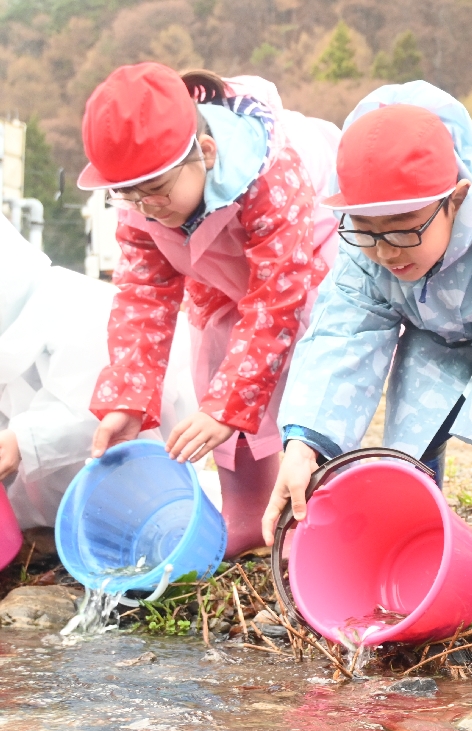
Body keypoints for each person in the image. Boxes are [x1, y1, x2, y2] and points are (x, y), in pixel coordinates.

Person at [262, 81, 472, 544]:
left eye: (402, 230)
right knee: (409, 439)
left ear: (456, 198)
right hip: (430, 309)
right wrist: (304, 442)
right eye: (367, 232)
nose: (384, 251)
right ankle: (418, 536)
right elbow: (344, 331)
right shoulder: (367, 238)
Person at [80, 62, 341, 558]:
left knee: (302, 370)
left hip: (306, 257)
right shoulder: (143, 202)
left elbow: (277, 295)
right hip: (218, 271)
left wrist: (230, 406)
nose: (145, 206)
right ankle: (245, 509)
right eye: (128, 195)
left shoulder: (269, 167)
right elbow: (142, 296)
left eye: (155, 192)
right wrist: (128, 400)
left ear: (206, 152)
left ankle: (313, 508)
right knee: (216, 360)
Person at [0, 215, 195, 553]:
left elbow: (105, 409)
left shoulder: (75, 306)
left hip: (136, 484)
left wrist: (22, 441)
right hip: (49, 510)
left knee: (136, 532)